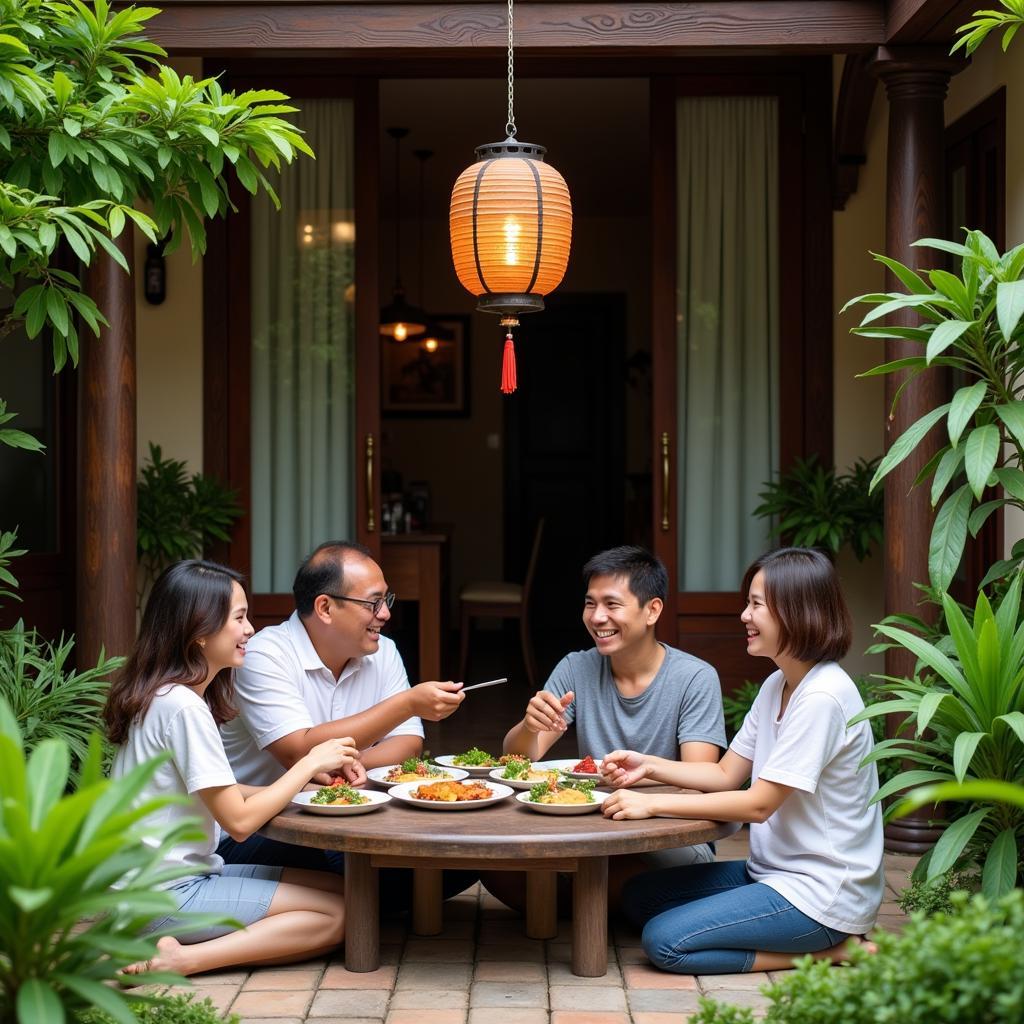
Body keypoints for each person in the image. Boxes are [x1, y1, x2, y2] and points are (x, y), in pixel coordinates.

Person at [602, 547, 884, 975]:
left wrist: (652, 803)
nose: (744, 616)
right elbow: (724, 773)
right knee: (640, 897)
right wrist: (649, 766)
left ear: (795, 612)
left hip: (822, 896)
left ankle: (835, 952)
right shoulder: (778, 683)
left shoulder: (823, 697)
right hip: (772, 875)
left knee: (665, 942)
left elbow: (757, 804)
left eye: (756, 605)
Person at [105, 560, 357, 977]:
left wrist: (307, 791)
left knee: (348, 892)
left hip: (152, 887)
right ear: (199, 631)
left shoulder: (164, 696)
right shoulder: (183, 707)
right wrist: (308, 763)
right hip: (164, 895)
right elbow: (239, 823)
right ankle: (182, 960)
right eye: (239, 618)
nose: (250, 630)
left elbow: (221, 792)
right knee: (343, 915)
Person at [217, 541, 472, 901]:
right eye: (373, 603)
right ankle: (363, 908)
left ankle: (366, 905)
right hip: (259, 829)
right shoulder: (265, 654)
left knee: (462, 855)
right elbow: (298, 752)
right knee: (363, 857)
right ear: (324, 607)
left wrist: (344, 767)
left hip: (342, 815)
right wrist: (406, 704)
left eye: (387, 601)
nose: (385, 614)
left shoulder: (383, 651)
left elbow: (408, 746)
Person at [503, 545, 727, 870]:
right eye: (590, 603)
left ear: (652, 610)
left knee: (607, 872)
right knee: (502, 868)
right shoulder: (576, 668)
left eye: (612, 604)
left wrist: (628, 779)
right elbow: (520, 760)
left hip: (668, 830)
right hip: (592, 825)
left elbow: (699, 779)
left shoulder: (694, 677)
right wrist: (529, 726)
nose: (597, 617)